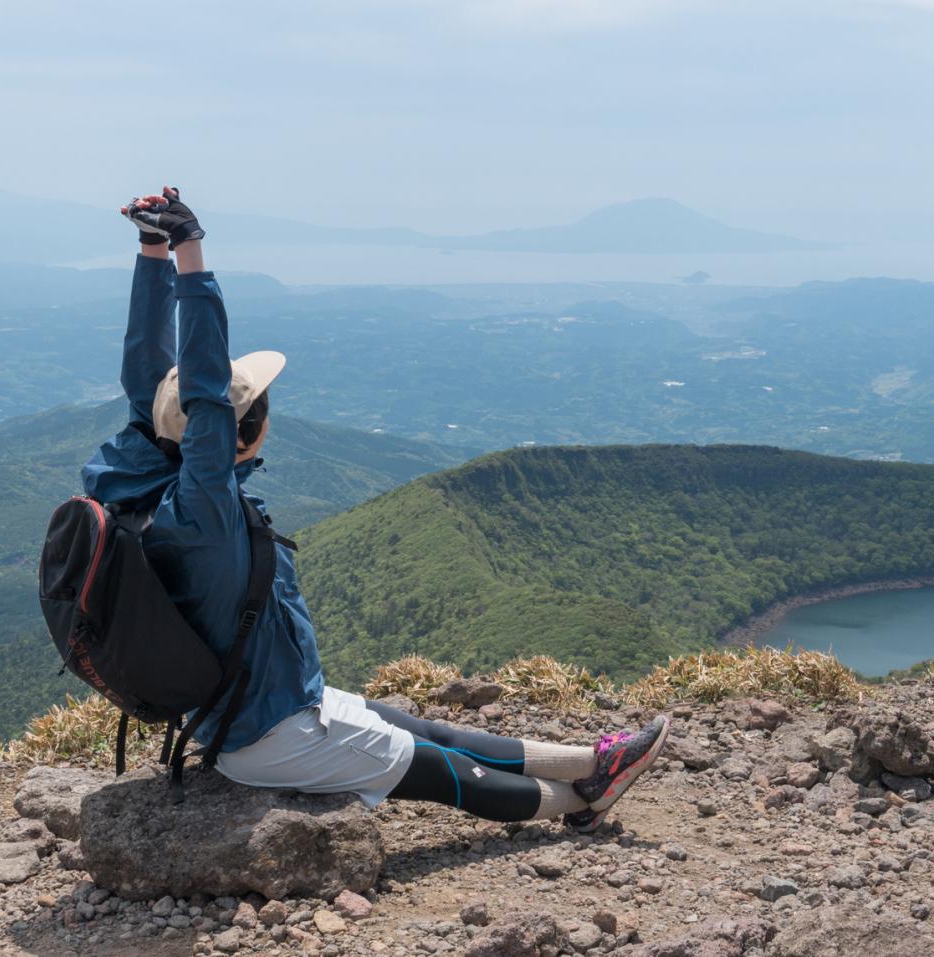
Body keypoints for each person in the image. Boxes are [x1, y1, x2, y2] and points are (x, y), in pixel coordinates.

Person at [81, 186, 668, 830]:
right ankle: (586, 798)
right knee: (442, 771)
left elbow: (148, 374)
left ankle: (592, 760)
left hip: (260, 706)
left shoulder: (139, 482)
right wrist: (193, 256)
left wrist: (153, 249)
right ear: (238, 434)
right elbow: (205, 394)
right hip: (270, 735)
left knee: (424, 728)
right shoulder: (203, 510)